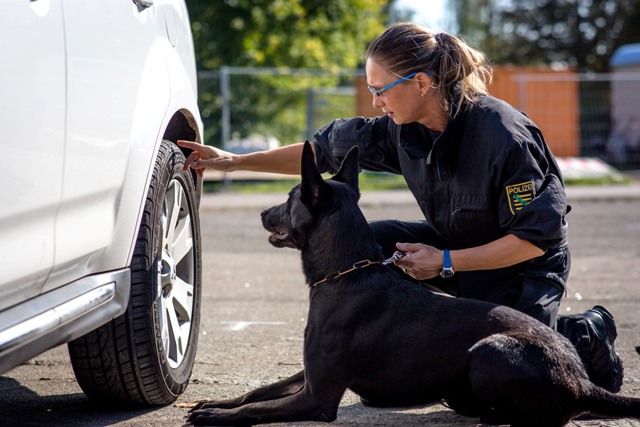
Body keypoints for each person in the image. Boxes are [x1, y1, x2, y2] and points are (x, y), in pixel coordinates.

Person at [178, 22, 623, 392]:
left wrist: (444, 262)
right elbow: (320, 153)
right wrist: (233, 162)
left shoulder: (503, 137)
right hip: (458, 248)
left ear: (422, 82)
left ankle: (585, 335)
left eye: (381, 90)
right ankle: (382, 350)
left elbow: (532, 240)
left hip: (520, 267)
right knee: (370, 241)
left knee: (484, 385)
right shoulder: (401, 126)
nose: (375, 102)